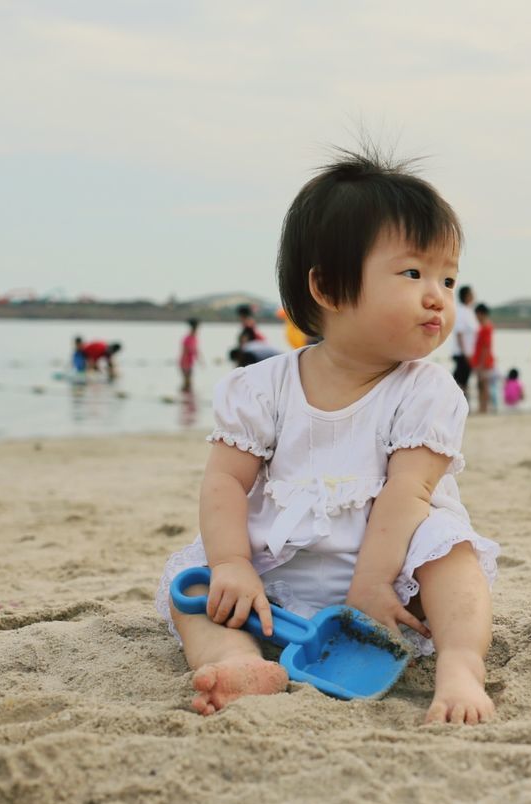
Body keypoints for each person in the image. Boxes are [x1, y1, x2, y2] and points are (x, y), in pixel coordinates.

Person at [153, 148, 499, 724]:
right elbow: (225, 481)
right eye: (413, 273)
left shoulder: (428, 392)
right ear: (328, 288)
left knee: (451, 555)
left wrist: (371, 583)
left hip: (391, 576)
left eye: (448, 277)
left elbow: (408, 494)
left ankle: (461, 667)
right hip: (278, 574)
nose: (438, 295)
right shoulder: (261, 387)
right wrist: (234, 563)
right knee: (189, 578)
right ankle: (239, 660)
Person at [470, 303, 497, 414]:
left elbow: (485, 347)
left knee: (484, 385)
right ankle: (482, 407)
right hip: (481, 361)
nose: (476, 317)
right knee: (481, 385)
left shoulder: (486, 327)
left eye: (476, 314)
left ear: (481, 314)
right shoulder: (484, 327)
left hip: (484, 362)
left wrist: (481, 364)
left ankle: (484, 408)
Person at [451, 285, 477, 395]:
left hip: (469, 353)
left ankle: (463, 403)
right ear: (466, 296)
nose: (473, 296)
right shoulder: (461, 311)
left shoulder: (469, 311)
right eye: (471, 294)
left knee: (463, 379)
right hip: (463, 353)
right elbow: (459, 334)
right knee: (460, 381)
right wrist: (465, 353)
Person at [180, 319, 203, 392]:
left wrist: (200, 360)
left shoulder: (194, 338)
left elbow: (195, 351)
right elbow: (185, 351)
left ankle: (186, 397)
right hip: (185, 362)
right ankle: (184, 397)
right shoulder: (187, 338)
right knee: (187, 382)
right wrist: (184, 364)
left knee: (189, 382)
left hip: (190, 362)